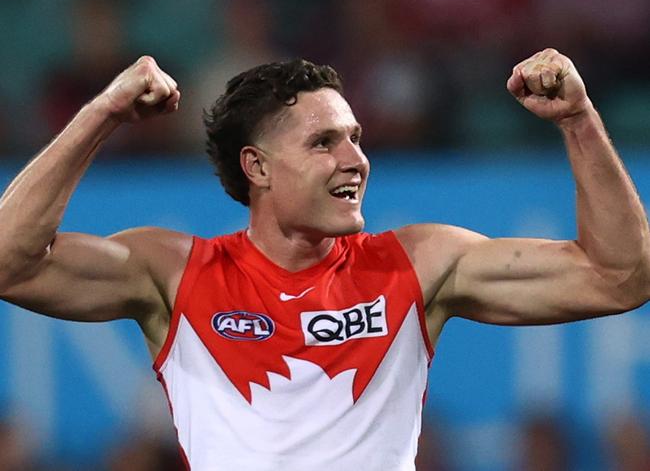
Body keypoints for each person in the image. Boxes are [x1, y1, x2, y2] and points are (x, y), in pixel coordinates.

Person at [0, 49, 648, 470]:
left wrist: (580, 120)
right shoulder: (173, 273)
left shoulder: (418, 265)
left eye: (356, 138)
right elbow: (10, 262)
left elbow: (619, 277)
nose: (355, 159)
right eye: (323, 142)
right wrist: (102, 113)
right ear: (257, 167)